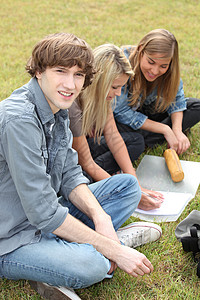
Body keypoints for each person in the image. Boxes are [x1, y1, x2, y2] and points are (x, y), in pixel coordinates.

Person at [0, 33, 162, 300]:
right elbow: (43, 212)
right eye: (60, 71)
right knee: (94, 265)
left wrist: (101, 218)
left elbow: (70, 173)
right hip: (12, 238)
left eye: (78, 75)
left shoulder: (57, 107)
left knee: (128, 186)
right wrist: (115, 251)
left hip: (45, 218)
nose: (70, 84)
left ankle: (77, 248)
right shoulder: (19, 120)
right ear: (39, 71)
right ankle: (96, 249)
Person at [69, 44, 163, 211]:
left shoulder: (104, 98)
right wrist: (130, 191)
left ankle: (107, 178)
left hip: (85, 152)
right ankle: (106, 179)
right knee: (83, 179)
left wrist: (134, 183)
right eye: (114, 87)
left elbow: (113, 136)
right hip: (69, 161)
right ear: (98, 82)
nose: (119, 93)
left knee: (135, 141)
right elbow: (86, 162)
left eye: (121, 87)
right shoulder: (73, 106)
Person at [113, 29, 200, 155]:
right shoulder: (122, 62)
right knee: (119, 127)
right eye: (151, 62)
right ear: (140, 50)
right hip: (123, 116)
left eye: (163, 66)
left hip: (146, 109)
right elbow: (121, 112)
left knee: (196, 106)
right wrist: (165, 129)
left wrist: (177, 130)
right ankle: (148, 138)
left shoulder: (170, 70)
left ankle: (145, 138)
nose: (154, 71)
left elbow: (177, 100)